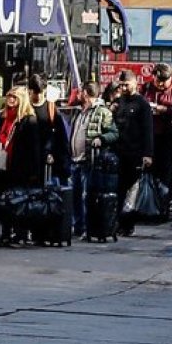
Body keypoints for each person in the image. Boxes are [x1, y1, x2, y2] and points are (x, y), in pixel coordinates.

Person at [0, 86, 42, 247]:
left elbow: (34, 147)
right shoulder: (3, 117)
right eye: (9, 96)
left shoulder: (29, 120)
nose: (10, 100)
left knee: (19, 200)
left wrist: (34, 171)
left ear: (22, 99)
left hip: (21, 166)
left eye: (14, 97)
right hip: (3, 165)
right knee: (4, 199)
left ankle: (20, 234)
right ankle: (6, 232)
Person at [69, 81, 118, 237]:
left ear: (85, 93)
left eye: (80, 92)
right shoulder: (79, 112)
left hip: (89, 161)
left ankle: (86, 228)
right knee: (75, 196)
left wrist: (101, 139)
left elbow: (114, 133)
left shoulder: (103, 112)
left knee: (85, 196)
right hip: (75, 160)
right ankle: (77, 226)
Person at [112, 70, 154, 236]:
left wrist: (148, 154)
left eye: (126, 84)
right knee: (119, 190)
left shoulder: (142, 104)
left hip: (135, 152)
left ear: (135, 83)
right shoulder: (119, 102)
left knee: (132, 191)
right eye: (121, 85)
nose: (123, 88)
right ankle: (119, 222)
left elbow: (147, 130)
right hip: (120, 151)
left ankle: (128, 224)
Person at [142, 62, 172, 207]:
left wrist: (165, 110)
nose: (160, 85)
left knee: (165, 170)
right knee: (149, 170)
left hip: (168, 136)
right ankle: (149, 204)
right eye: (158, 81)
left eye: (164, 82)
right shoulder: (147, 88)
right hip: (149, 136)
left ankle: (163, 204)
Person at [28, 73, 71, 183]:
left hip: (47, 161)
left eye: (40, 93)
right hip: (27, 160)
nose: (37, 96)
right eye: (34, 92)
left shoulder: (51, 109)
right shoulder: (25, 108)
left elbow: (62, 138)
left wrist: (61, 160)